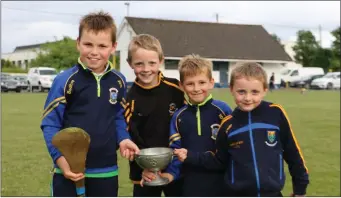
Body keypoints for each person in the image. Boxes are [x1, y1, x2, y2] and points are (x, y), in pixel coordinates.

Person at [41, 11, 139, 197]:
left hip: (106, 170)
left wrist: (124, 139)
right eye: (88, 44)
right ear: (78, 43)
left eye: (102, 46)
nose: (94, 52)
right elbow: (50, 124)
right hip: (67, 169)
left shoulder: (119, 81)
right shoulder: (65, 80)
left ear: (113, 47)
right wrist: (60, 159)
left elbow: (117, 116)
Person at [174, 62, 309, 197]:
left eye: (254, 92)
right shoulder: (227, 124)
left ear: (265, 90)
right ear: (232, 89)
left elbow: (293, 153)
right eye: (241, 92)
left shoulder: (275, 113)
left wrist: (300, 189)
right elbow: (219, 160)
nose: (248, 98)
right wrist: (191, 156)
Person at [142, 54, 232, 196]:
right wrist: (170, 174)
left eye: (202, 82)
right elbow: (176, 151)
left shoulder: (223, 110)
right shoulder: (178, 116)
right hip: (190, 185)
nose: (196, 88)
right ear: (181, 86)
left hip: (222, 183)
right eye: (190, 83)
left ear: (211, 82)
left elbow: (233, 147)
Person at [123, 34, 185, 197]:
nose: (146, 69)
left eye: (152, 63)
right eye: (139, 64)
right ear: (130, 64)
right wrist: (143, 167)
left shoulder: (177, 89)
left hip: (176, 168)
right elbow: (131, 137)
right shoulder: (130, 98)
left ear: (161, 60)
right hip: (144, 172)